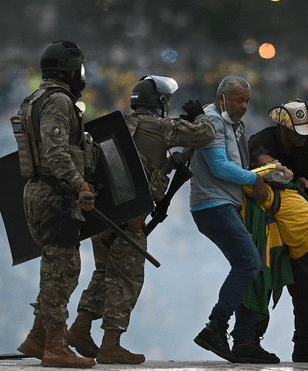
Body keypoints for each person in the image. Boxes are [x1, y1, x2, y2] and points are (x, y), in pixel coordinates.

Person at [66, 75, 216, 364]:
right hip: (130, 221)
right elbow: (205, 134)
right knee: (127, 279)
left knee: (104, 273)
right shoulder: (160, 127)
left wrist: (171, 162)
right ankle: (111, 343)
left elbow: (141, 165)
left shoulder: (118, 126)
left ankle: (80, 328)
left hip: (103, 218)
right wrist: (199, 116)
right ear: (159, 102)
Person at [16, 40, 97, 368]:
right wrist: (80, 185)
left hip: (37, 190)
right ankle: (54, 347)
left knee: (56, 269)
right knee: (61, 272)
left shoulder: (33, 98)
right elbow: (55, 150)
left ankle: (37, 338)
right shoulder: (59, 101)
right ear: (70, 71)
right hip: (56, 194)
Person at [189, 76, 280, 364]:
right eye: (239, 100)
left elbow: (236, 166)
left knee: (249, 267)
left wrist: (267, 171)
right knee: (249, 263)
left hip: (228, 205)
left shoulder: (233, 125)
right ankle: (215, 327)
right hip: (213, 205)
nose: (243, 106)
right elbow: (219, 167)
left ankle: (243, 339)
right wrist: (255, 178)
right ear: (221, 99)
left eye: (247, 101)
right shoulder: (213, 122)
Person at [247, 99, 308, 363]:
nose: (304, 137)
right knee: (261, 280)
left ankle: (306, 343)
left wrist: (299, 189)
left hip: (296, 227)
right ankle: (249, 339)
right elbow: (250, 177)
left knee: (306, 282)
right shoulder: (259, 142)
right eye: (298, 131)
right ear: (282, 127)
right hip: (266, 227)